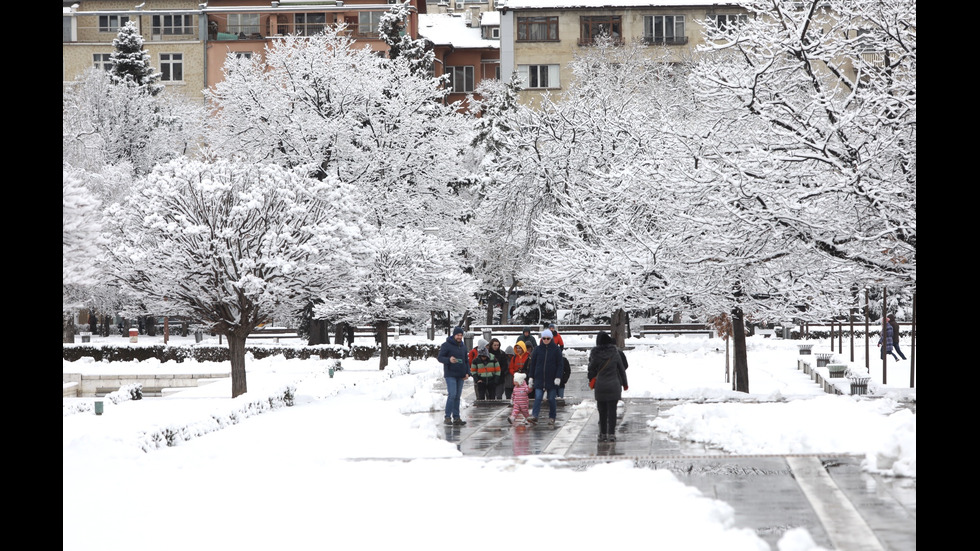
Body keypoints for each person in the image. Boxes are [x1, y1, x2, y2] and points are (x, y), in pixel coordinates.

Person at [587, 331, 628, 442]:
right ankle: (611, 434)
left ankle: (602, 434)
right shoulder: (615, 353)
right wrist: (625, 384)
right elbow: (622, 369)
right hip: (613, 385)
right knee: (612, 411)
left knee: (602, 411)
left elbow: (591, 368)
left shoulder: (595, 354)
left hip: (600, 386)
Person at [527, 329, 564, 426]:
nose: (546, 340)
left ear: (551, 338)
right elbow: (533, 364)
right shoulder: (538, 349)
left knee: (551, 399)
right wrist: (531, 377)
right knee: (538, 397)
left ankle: (552, 417)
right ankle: (535, 416)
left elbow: (560, 365)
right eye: (544, 338)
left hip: (551, 379)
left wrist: (558, 377)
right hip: (539, 378)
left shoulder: (556, 350)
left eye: (548, 338)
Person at [437, 326, 470, 426]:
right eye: (458, 335)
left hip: (461, 375)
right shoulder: (446, 345)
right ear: (454, 335)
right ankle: (447, 417)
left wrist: (468, 372)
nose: (459, 337)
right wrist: (449, 360)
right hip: (450, 374)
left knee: (457, 396)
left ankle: (456, 417)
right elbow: (440, 357)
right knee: (452, 394)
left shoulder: (463, 347)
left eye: (461, 335)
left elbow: (466, 361)